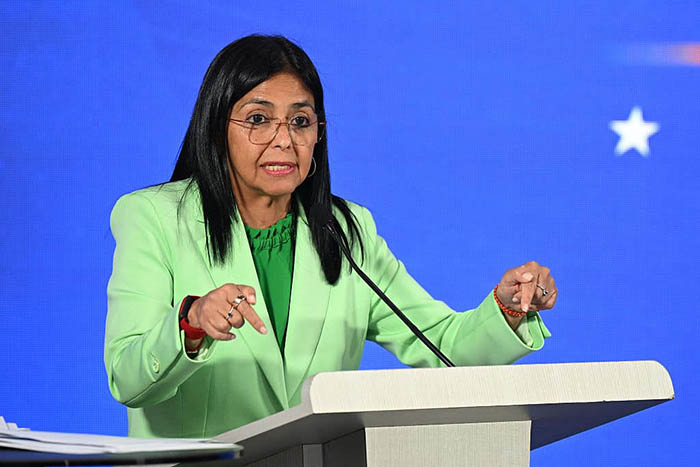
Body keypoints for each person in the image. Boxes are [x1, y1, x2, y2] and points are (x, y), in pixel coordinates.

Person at [104, 34, 557, 439]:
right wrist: (193, 322)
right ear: (216, 127)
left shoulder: (347, 230)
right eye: (258, 119)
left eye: (301, 122)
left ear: (319, 134)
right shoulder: (153, 217)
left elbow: (442, 347)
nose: (284, 140)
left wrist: (507, 308)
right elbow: (128, 379)